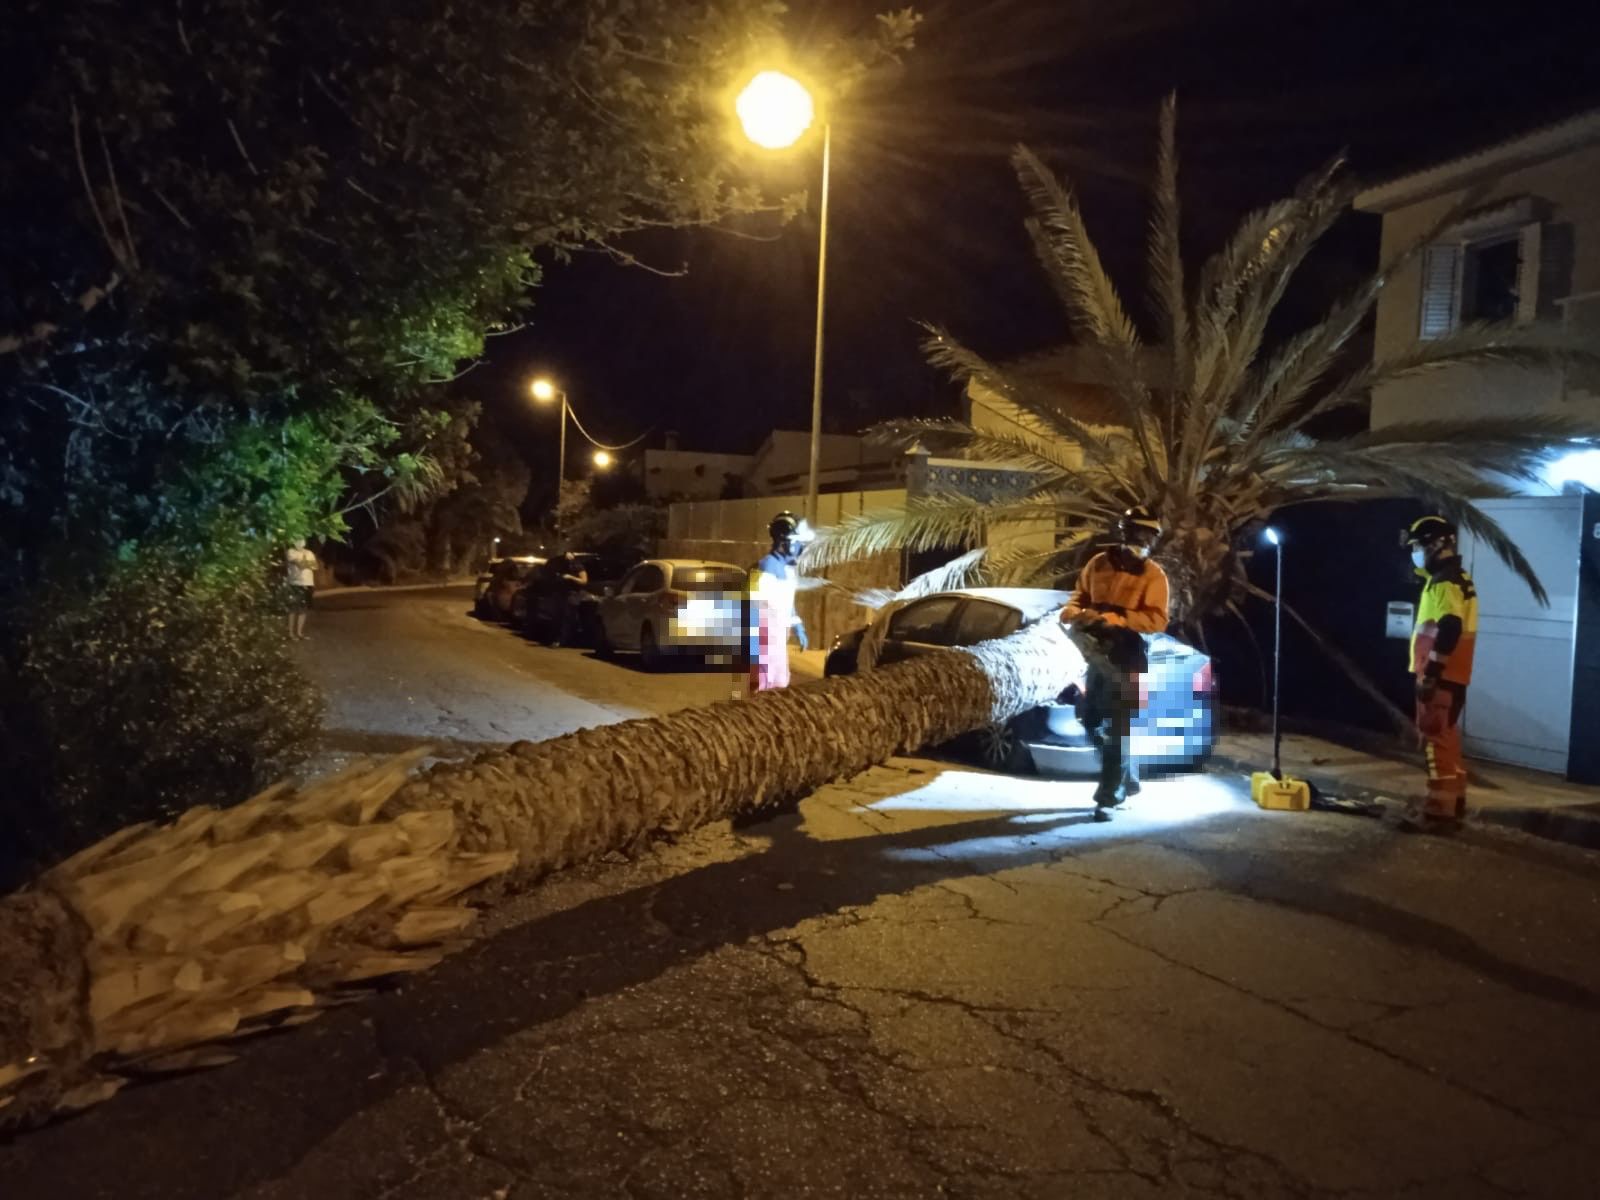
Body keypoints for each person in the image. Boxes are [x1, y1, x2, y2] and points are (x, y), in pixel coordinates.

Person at [1059, 507, 1170, 820]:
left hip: (1129, 658)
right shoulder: (1098, 564)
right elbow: (1079, 596)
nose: (1145, 540)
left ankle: (1109, 798)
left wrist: (1116, 620)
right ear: (1125, 532)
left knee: (1119, 731)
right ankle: (1127, 777)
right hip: (1096, 655)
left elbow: (1158, 619)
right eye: (1140, 532)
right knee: (1090, 720)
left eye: (1151, 535)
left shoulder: (1154, 575)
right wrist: (1072, 611)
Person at [1401, 514, 1478, 832]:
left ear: (1437, 544)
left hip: (1441, 675)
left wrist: (1431, 671)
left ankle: (1438, 812)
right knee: (1447, 737)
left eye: (1418, 545)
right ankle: (1455, 803)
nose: (1415, 552)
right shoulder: (1456, 577)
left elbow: (1450, 626)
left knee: (1435, 740)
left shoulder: (1445, 582)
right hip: (1454, 674)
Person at [747, 511, 811, 692]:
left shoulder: (787, 570)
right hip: (762, 648)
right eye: (799, 542)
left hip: (778, 644)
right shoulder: (763, 568)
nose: (801, 547)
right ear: (786, 541)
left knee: (780, 687)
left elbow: (785, 602)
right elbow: (750, 606)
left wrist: (797, 625)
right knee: (760, 694)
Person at [551, 552, 589, 647]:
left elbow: (584, 581)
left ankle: (564, 640)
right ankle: (560, 638)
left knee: (568, 618)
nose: (567, 558)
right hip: (562, 594)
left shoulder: (578, 566)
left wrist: (571, 578)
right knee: (560, 617)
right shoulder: (562, 566)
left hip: (572, 594)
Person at [285, 538, 318, 640]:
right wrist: (307, 563)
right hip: (296, 583)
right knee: (293, 609)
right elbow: (300, 565)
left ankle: (299, 633)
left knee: (303, 609)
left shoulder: (309, 552)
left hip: (308, 583)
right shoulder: (291, 552)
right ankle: (291, 633)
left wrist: (305, 563)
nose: (299, 542)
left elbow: (315, 566)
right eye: (297, 540)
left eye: (301, 539)